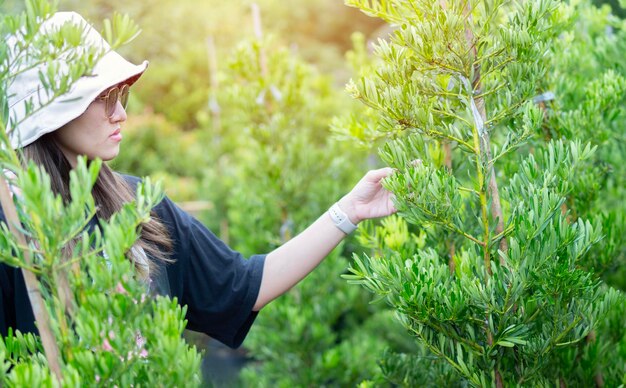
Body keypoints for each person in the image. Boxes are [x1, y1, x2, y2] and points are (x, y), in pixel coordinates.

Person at [0, 12, 396, 349]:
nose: (120, 113)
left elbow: (244, 285)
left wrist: (348, 211)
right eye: (103, 98)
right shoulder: (12, 228)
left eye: (120, 94)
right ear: (51, 111)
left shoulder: (138, 204)